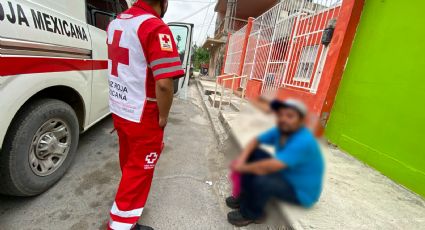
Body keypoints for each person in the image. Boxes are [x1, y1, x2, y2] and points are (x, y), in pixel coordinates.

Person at [106, 0, 184, 229]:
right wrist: (163, 116)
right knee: (139, 172)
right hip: (143, 113)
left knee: (129, 165)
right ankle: (119, 225)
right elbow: (164, 84)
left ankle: (126, 215)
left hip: (121, 109)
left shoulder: (116, 22)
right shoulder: (155, 27)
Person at [226, 99, 325, 227]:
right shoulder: (282, 130)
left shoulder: (303, 141)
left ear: (300, 120)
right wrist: (243, 160)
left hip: (302, 190)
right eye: (282, 114)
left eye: (290, 116)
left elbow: (273, 165)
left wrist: (244, 167)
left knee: (262, 178)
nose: (284, 119)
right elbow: (255, 141)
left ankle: (252, 214)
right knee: (255, 154)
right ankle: (243, 197)